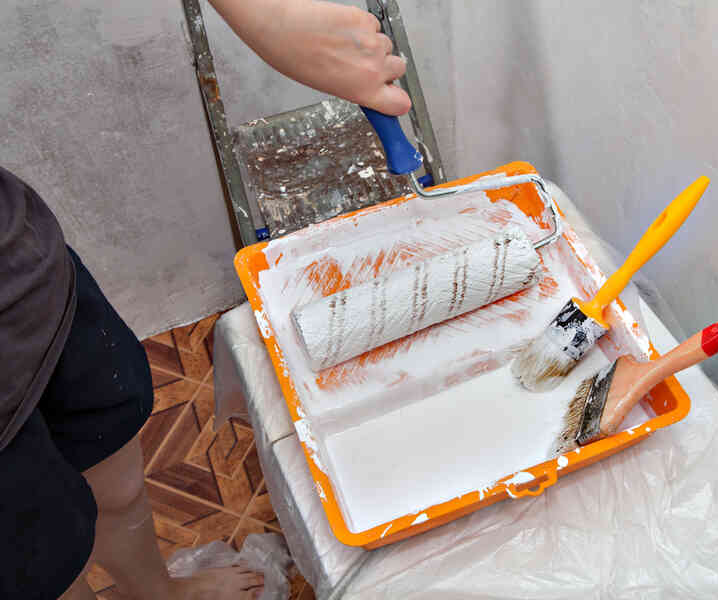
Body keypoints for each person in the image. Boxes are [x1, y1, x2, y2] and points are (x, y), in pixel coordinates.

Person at [0, 2, 410, 599]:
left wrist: (265, 13)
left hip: (25, 269)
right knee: (43, 568)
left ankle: (158, 592)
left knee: (113, 470)